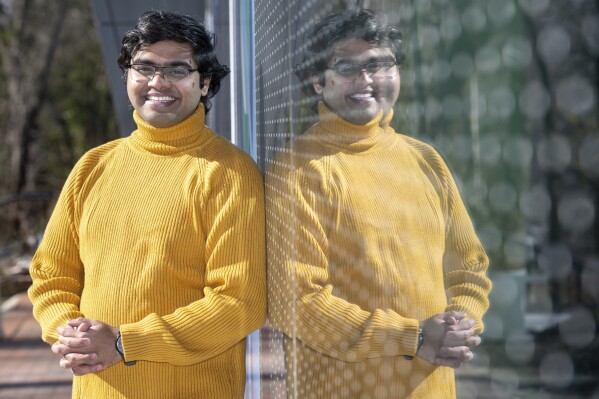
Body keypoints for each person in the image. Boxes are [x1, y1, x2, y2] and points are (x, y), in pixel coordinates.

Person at [28, 10, 266, 399]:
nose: (158, 82)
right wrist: (70, 333)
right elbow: (51, 275)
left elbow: (238, 303)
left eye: (177, 70)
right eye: (145, 68)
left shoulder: (229, 173)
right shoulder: (93, 165)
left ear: (204, 83)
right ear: (128, 77)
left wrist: (124, 343)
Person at [266, 9, 492, 398]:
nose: (366, 80)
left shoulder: (426, 160)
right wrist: (414, 337)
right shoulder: (297, 171)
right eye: (347, 67)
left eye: (379, 65)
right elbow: (298, 305)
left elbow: (468, 264)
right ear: (317, 81)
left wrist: (462, 323)